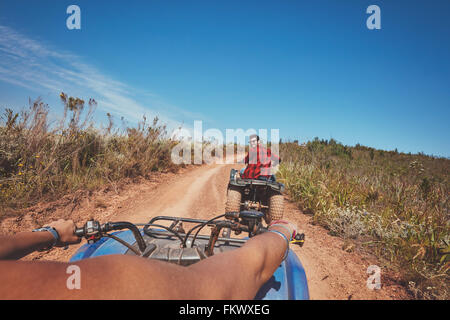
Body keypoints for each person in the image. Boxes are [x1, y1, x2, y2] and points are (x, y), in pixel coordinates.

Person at [0, 218, 297, 299]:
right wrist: (280, 233)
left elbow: (7, 244)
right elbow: (215, 290)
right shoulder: (115, 283)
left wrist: (51, 233)